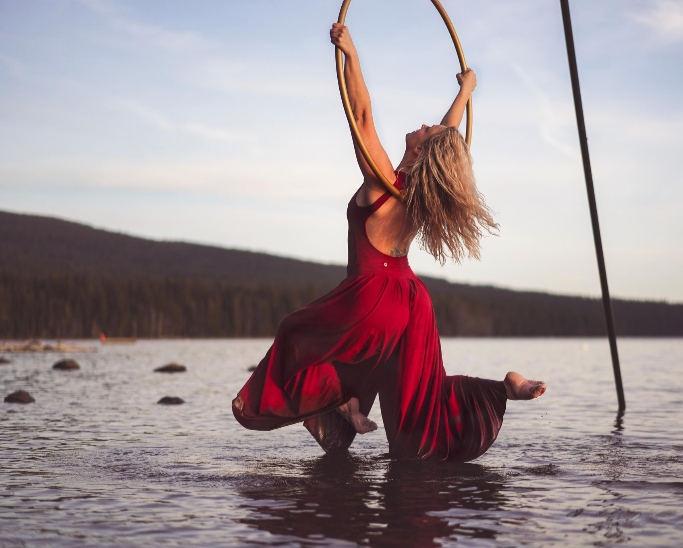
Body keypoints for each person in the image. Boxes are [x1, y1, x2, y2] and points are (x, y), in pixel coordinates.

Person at [231, 23, 546, 462]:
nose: (423, 124)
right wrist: (466, 91)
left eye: (426, 130)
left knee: (295, 333)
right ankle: (501, 388)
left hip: (371, 294)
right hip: (412, 301)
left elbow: (361, 115)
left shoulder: (385, 182)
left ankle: (340, 405)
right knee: (420, 395)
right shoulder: (420, 192)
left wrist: (351, 55)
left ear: (421, 153)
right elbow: (448, 136)